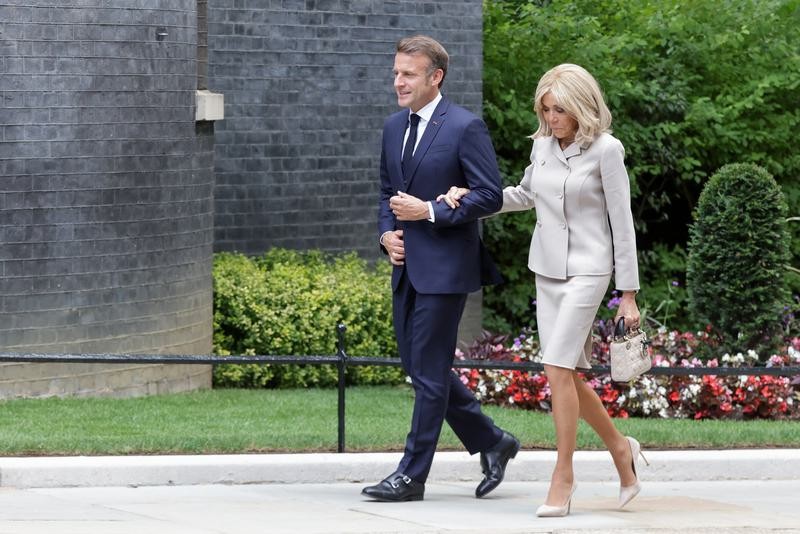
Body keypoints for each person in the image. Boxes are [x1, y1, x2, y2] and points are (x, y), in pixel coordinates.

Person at [439, 63, 647, 517]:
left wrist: (628, 294)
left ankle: (563, 475)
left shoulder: (607, 150)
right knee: (564, 373)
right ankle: (621, 449)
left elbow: (622, 221)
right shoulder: (542, 146)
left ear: (582, 108)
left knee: (555, 367)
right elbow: (524, 194)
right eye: (546, 110)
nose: (552, 119)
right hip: (547, 270)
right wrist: (472, 197)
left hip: (590, 270)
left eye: (560, 110)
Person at [361, 35, 520, 503]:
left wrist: (429, 211)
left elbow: (489, 195)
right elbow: (387, 192)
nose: (398, 81)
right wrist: (386, 234)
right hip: (406, 267)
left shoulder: (465, 127)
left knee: (429, 373)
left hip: (447, 269)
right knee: (419, 367)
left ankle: (411, 476)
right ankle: (493, 440)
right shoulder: (393, 127)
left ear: (436, 77)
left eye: (408, 74)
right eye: (396, 72)